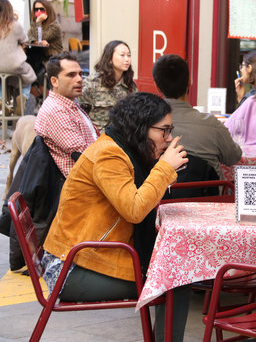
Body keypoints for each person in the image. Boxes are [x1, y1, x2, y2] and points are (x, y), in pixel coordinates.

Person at [41, 92, 190, 341]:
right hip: (71, 267)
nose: (169, 138)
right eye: (163, 130)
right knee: (177, 278)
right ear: (140, 127)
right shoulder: (110, 155)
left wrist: (163, 168)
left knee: (176, 269)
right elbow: (134, 209)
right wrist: (165, 168)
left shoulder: (119, 148)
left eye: (170, 130)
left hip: (89, 255)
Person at [152, 54, 242, 180]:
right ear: (189, 81)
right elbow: (234, 157)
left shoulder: (148, 126)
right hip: (207, 197)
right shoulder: (211, 125)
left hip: (162, 197)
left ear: (156, 86)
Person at [34, 51, 99, 177]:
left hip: (93, 175)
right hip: (83, 185)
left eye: (80, 74)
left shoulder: (70, 103)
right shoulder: (56, 110)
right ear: (54, 81)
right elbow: (84, 155)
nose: (80, 79)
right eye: (71, 75)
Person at [79, 40, 137, 131]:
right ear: (110, 59)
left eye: (129, 55)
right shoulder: (93, 83)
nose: (127, 59)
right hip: (97, 138)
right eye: (122, 55)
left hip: (121, 137)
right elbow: (81, 114)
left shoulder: (130, 84)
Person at [0, 0, 36, 99]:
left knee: (2, 77)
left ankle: (1, 99)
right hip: (13, 66)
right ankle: (23, 96)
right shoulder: (15, 25)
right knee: (28, 73)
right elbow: (25, 40)